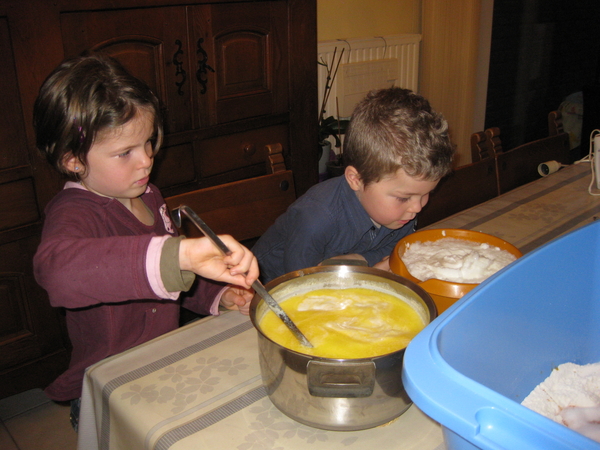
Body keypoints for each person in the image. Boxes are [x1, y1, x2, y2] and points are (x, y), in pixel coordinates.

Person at [32, 54, 259, 426]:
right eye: (125, 153)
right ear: (73, 160)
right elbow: (58, 272)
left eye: (148, 142)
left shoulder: (149, 195)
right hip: (109, 385)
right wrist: (179, 254)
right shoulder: (72, 212)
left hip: (162, 363)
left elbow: (173, 275)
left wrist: (218, 295)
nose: (146, 161)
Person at [253, 87, 454, 284]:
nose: (417, 208)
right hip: (268, 285)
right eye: (404, 197)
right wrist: (363, 269)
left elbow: (398, 248)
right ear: (356, 179)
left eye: (427, 193)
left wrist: (362, 262)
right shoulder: (316, 217)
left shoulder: (402, 212)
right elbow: (303, 285)